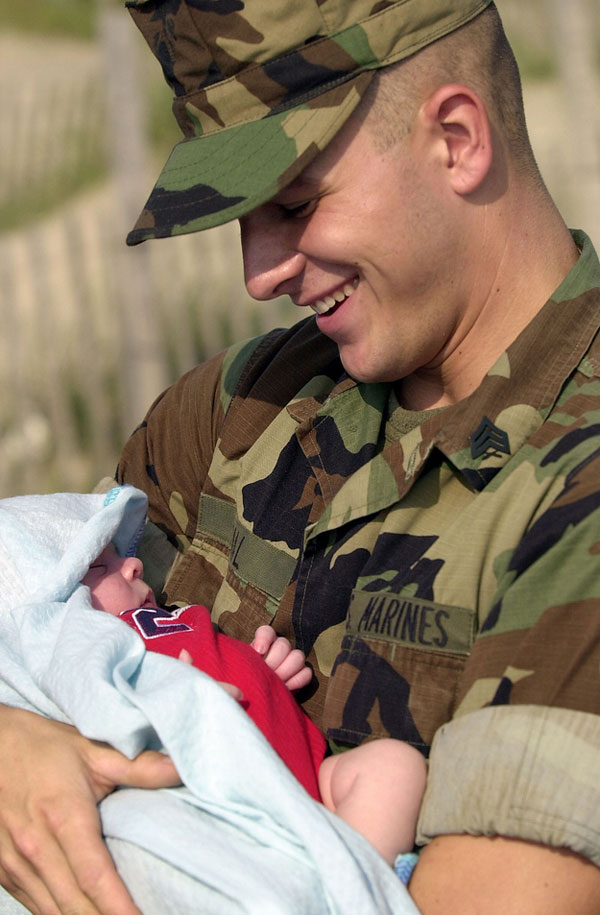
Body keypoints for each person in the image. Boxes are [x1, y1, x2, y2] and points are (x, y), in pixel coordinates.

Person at [1, 0, 599, 912]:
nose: (259, 274)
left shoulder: (578, 492)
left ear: (456, 139)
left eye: (292, 204)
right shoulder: (240, 408)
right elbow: (39, 629)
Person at [82, 539, 426, 870]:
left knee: (396, 767)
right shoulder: (95, 653)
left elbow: (224, 662)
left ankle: (358, 883)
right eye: (99, 567)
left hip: (313, 788)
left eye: (121, 553)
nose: (134, 563)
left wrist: (260, 670)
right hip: (227, 813)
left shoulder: (174, 619)